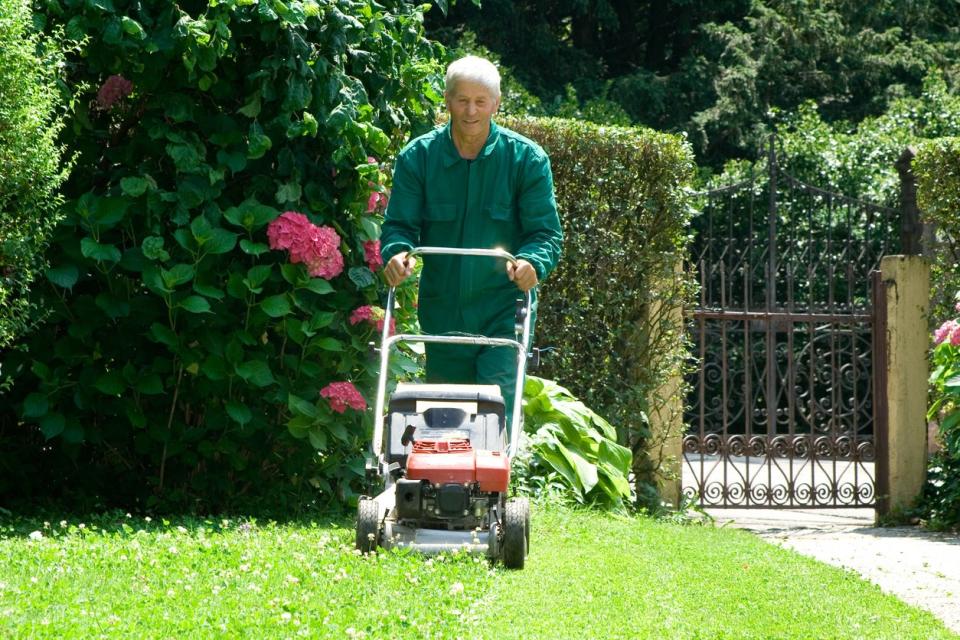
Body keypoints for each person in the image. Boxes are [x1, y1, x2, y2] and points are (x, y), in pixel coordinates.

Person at [380, 55, 563, 426]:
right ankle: (443, 484)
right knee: (446, 415)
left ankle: (493, 482)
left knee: (493, 410)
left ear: (496, 104)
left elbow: (545, 234)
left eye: (481, 101)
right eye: (462, 100)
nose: (471, 111)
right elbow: (399, 225)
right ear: (447, 101)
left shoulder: (526, 159)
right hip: (443, 310)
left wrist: (532, 263)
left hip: (503, 308)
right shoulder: (419, 158)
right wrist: (397, 254)